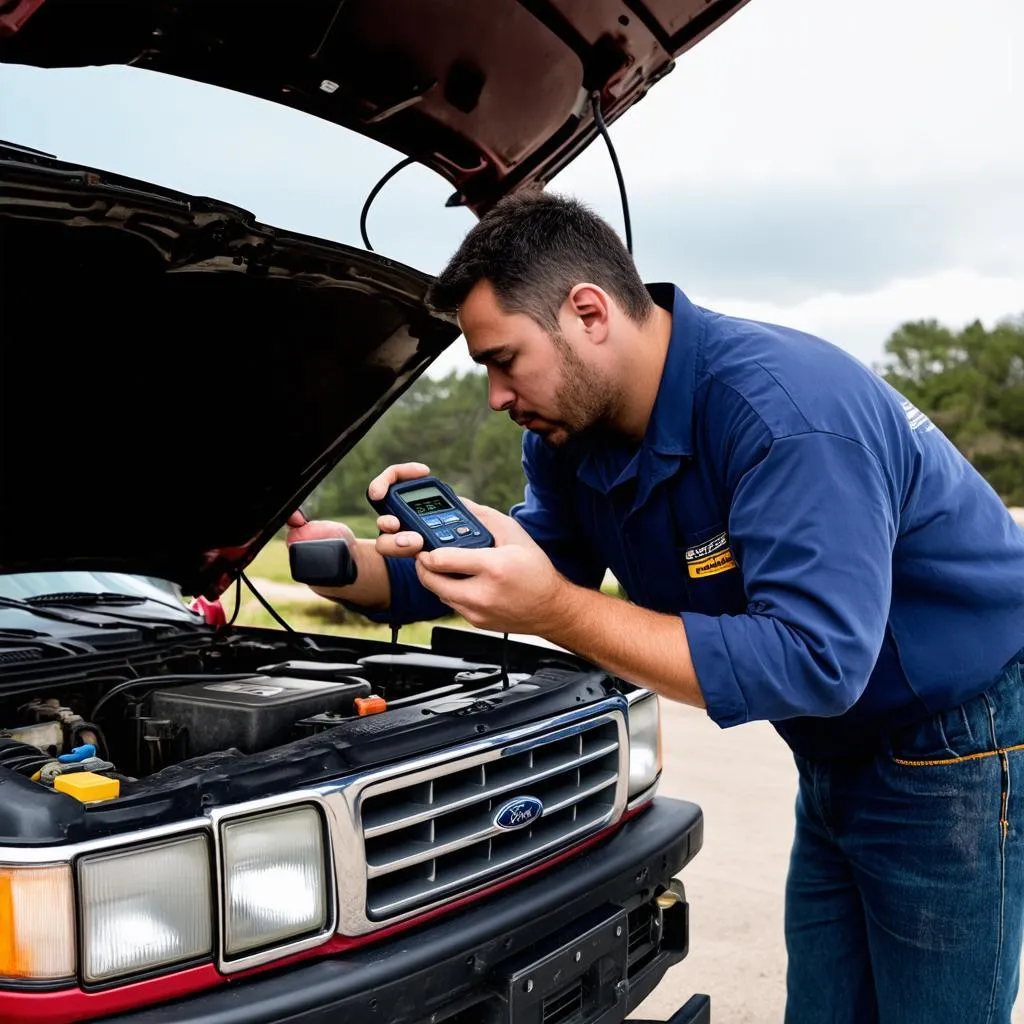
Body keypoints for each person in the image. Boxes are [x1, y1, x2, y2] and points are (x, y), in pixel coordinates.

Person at [288, 191, 1024, 1023]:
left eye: (503, 359)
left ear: (589, 312)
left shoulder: (782, 416)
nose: (495, 395)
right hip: (837, 756)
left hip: (953, 746)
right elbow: (530, 567)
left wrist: (558, 612)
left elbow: (815, 662)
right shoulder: (574, 435)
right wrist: (349, 567)